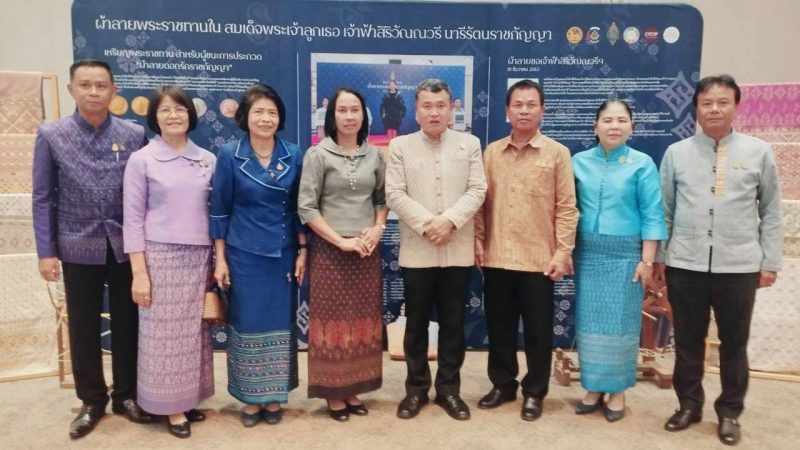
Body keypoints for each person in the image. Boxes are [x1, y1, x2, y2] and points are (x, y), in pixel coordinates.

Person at [32, 59, 156, 439]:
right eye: (85, 85)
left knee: (128, 322)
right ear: (71, 89)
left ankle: (126, 395)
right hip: (75, 243)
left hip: (125, 245)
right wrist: (46, 251)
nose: (94, 92)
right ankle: (91, 400)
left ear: (114, 91)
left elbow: (146, 191)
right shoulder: (51, 134)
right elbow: (42, 196)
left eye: (101, 85)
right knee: (84, 326)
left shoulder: (134, 134)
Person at [656, 75, 783, 446]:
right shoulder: (677, 153)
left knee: (734, 343)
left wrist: (770, 262)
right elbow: (665, 210)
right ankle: (688, 405)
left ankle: (729, 412)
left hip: (739, 266)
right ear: (696, 108)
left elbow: (771, 210)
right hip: (686, 263)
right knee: (687, 341)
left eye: (722, 102)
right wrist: (661, 257)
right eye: (706, 103)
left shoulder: (758, 152)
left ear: (736, 107)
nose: (714, 109)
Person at [474, 79, 579, 421]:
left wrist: (562, 251)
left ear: (542, 110)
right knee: (499, 328)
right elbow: (480, 205)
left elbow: (567, 207)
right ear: (507, 111)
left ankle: (535, 392)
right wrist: (478, 241)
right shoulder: (491, 153)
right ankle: (503, 384)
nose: (524, 110)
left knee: (538, 332)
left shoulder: (557, 153)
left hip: (539, 259)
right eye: (517, 105)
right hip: (497, 256)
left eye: (531, 104)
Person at [386, 78, 487, 421]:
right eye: (427, 106)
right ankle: (415, 389)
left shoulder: (469, 144)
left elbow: (478, 189)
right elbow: (394, 193)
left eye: (440, 105)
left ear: (451, 108)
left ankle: (448, 390)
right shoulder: (400, 146)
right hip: (418, 250)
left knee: (453, 323)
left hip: (457, 250)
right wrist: (430, 223)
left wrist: (451, 222)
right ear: (416, 111)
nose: (434, 112)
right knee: (415, 324)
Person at [209, 83, 307, 427]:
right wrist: (220, 259)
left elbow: (298, 209)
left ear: (280, 118)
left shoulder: (293, 154)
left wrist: (303, 250)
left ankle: (274, 396)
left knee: (279, 323)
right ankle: (251, 400)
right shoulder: (229, 154)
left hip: (282, 253)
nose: (266, 118)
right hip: (243, 255)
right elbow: (219, 210)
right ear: (245, 116)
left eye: (272, 112)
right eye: (259, 112)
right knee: (247, 323)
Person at [122, 85, 216, 438]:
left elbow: (215, 212)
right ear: (155, 117)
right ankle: (170, 408)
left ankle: (187, 398)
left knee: (193, 335)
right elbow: (132, 219)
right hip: (159, 258)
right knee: (162, 336)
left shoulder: (207, 159)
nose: (173, 115)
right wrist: (139, 273)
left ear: (191, 114)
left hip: (200, 257)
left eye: (180, 108)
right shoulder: (142, 160)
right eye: (165, 109)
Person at [571, 99, 667, 422]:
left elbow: (653, 213)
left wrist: (647, 261)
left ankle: (617, 392)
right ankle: (593, 388)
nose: (614, 126)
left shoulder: (642, 164)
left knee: (622, 325)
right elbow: (566, 209)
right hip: (587, 253)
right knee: (590, 325)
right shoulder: (578, 162)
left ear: (631, 127)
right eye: (608, 120)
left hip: (627, 255)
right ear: (595, 126)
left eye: (622, 120)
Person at [298, 87, 387, 422]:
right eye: (342, 110)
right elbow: (306, 208)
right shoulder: (318, 155)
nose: (350, 116)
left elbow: (381, 199)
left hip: (365, 250)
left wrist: (377, 228)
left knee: (361, 321)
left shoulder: (374, 155)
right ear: (331, 115)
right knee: (332, 322)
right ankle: (333, 392)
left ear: (364, 115)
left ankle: (353, 387)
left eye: (355, 110)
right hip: (330, 250)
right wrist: (340, 241)